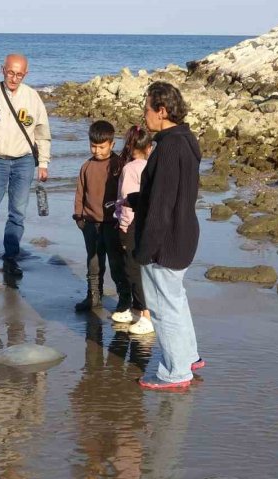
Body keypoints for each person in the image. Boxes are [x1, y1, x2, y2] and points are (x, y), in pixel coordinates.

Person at [129, 81, 204, 390]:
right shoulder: (186, 139)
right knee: (175, 300)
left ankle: (176, 373)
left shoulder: (169, 147)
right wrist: (137, 200)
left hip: (167, 240)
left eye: (146, 109)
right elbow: (171, 193)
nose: (144, 115)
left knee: (162, 307)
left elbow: (161, 207)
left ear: (161, 111)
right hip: (185, 232)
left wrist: (143, 250)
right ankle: (188, 358)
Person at [0, 54, 51, 279]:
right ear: (2, 69)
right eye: (11, 72)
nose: (14, 78)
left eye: (19, 74)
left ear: (26, 74)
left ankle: (10, 258)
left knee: (17, 213)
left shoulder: (32, 98)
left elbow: (42, 133)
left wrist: (43, 163)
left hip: (24, 162)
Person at [72, 120, 131, 313]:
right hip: (90, 223)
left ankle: (124, 300)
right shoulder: (86, 167)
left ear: (112, 144)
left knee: (116, 264)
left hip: (113, 224)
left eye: (101, 147)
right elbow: (80, 191)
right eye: (93, 146)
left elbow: (126, 192)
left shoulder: (119, 165)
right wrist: (79, 216)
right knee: (94, 263)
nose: (97, 151)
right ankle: (93, 297)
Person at [111, 125, 154, 335]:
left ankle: (145, 314)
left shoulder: (130, 169)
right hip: (147, 224)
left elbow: (128, 200)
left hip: (131, 225)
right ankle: (138, 310)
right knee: (140, 268)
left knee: (132, 269)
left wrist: (124, 225)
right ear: (149, 147)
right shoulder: (150, 167)